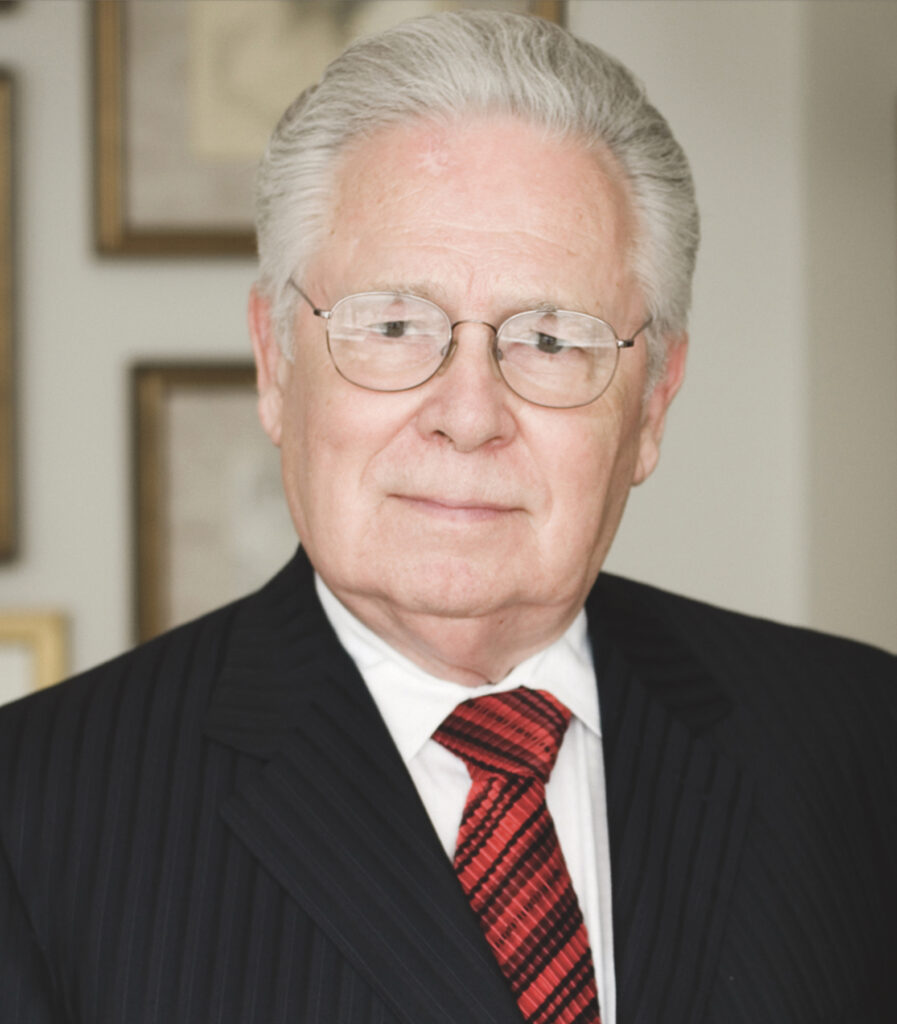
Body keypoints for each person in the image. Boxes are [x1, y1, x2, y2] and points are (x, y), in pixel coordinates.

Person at [1, 11, 894, 1024]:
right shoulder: (32, 819)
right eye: (392, 326)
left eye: (552, 340)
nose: (469, 416)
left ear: (652, 402)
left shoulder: (860, 742)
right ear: (274, 361)